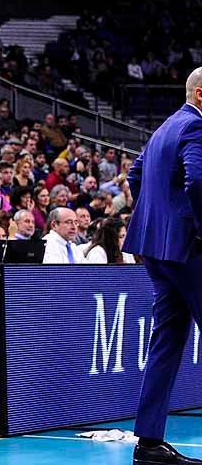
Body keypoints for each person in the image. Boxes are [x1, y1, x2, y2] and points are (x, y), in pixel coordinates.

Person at [125, 68, 202, 465]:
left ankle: (149, 443)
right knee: (167, 341)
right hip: (190, 250)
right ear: (201, 94)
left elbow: (134, 175)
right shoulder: (195, 128)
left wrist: (158, 220)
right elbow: (197, 183)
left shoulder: (165, 128)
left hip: (157, 249)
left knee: (167, 342)